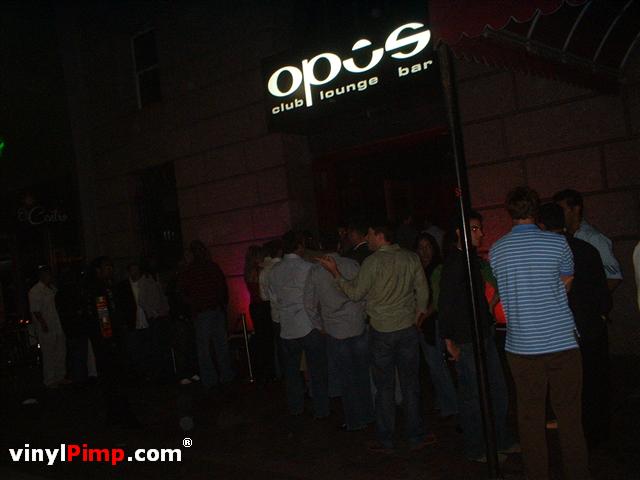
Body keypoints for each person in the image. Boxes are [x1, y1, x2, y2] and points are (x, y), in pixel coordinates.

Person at [490, 187, 589, 480]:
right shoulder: (557, 243)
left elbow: (503, 288)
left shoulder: (497, 249)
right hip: (561, 341)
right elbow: (567, 281)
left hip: (521, 346)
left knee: (529, 417)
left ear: (509, 211)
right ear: (536, 210)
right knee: (569, 415)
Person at [318, 220, 433, 453]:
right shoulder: (410, 258)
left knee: (384, 388)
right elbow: (423, 292)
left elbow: (355, 293)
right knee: (410, 386)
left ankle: (386, 439)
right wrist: (417, 318)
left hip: (381, 331)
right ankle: (415, 435)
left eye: (369, 234)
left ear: (380, 235)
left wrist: (336, 273)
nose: (367, 238)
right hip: (407, 330)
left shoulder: (372, 262)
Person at [439, 211, 517, 463]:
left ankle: (499, 439)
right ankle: (477, 447)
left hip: (482, 333)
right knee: (473, 394)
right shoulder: (455, 262)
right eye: (474, 229)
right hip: (466, 338)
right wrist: (448, 340)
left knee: (496, 389)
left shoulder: (471, 259)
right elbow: (446, 303)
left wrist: (488, 314)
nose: (481, 233)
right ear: (459, 232)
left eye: (479, 228)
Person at [538, 203, 613, 447]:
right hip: (591, 327)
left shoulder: (548, 254)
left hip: (565, 331)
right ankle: (597, 433)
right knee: (594, 383)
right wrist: (600, 316)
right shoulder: (586, 248)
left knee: (570, 388)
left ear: (541, 226)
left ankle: (576, 437)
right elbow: (603, 292)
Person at [304, 233, 374, 431]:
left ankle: (354, 420)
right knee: (362, 374)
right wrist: (362, 315)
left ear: (320, 247)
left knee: (346, 377)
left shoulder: (315, 271)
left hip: (335, 330)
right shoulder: (352, 265)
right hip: (357, 325)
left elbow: (309, 303)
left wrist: (320, 326)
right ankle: (368, 414)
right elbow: (365, 294)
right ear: (338, 245)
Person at [267, 231, 329, 418]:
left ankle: (296, 408)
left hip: (287, 326)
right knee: (317, 371)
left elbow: (273, 299)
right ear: (300, 246)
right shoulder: (309, 267)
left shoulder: (274, 271)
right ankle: (321, 409)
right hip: (309, 324)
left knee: (291, 373)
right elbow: (316, 297)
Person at [85, 256, 139, 427]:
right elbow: (103, 316)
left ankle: (118, 411)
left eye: (111, 266)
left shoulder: (110, 287)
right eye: (106, 267)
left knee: (116, 376)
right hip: (107, 342)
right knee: (112, 377)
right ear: (98, 271)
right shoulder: (98, 289)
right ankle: (117, 412)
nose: (110, 270)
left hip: (112, 338)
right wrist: (110, 339)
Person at [178, 240, 233, 389]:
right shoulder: (212, 267)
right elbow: (222, 288)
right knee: (221, 345)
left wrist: (194, 305)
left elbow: (183, 292)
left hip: (202, 312)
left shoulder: (190, 271)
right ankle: (226, 375)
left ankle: (210, 379)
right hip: (215, 310)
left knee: (204, 349)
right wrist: (222, 305)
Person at [414, 232, 457, 420]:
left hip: (435, 322)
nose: (424, 252)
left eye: (428, 247)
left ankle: (451, 405)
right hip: (424, 322)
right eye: (421, 247)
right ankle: (443, 401)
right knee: (434, 365)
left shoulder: (437, 268)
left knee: (437, 365)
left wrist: (421, 318)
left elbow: (437, 299)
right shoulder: (417, 268)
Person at [553, 189, 622, 292]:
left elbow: (614, 277)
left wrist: (595, 298)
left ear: (576, 209)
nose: (558, 215)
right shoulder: (562, 237)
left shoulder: (593, 238)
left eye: (562, 210)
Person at [28, 265, 68, 387]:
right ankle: (50, 380)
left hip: (57, 325)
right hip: (46, 326)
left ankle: (60, 376)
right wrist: (43, 324)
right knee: (49, 353)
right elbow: (36, 310)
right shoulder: (35, 291)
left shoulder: (52, 288)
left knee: (60, 351)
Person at [244, 244, 275, 383]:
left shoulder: (247, 270)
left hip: (254, 307)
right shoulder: (260, 270)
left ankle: (263, 369)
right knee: (268, 338)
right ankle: (270, 369)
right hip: (263, 306)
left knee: (261, 337)